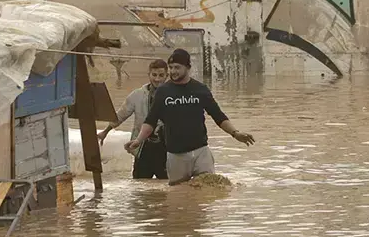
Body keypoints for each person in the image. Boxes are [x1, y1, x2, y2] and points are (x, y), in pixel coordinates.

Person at [125, 48, 254, 185]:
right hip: (176, 155)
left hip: (201, 152)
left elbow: (219, 116)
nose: (173, 71)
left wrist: (235, 133)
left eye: (177, 67)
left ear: (188, 67)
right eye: (171, 67)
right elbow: (150, 121)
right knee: (178, 197)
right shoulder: (163, 92)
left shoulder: (200, 89)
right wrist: (138, 140)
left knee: (208, 191)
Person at [98, 59, 169, 179]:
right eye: (154, 75)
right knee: (140, 186)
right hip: (142, 147)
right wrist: (105, 131)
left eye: (161, 75)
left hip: (166, 147)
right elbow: (121, 115)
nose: (157, 79)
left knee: (168, 186)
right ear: (149, 75)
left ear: (167, 76)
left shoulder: (173, 96)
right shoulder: (137, 95)